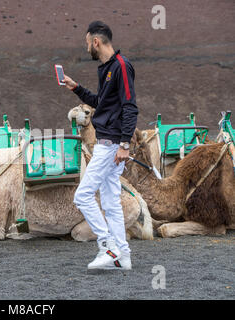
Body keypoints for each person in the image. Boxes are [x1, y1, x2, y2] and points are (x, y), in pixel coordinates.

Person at [62, 21, 138, 270]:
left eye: (87, 43)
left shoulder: (121, 67)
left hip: (111, 145)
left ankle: (108, 247)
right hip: (108, 144)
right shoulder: (107, 69)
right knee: (110, 202)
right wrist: (76, 88)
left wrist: (125, 144)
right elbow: (100, 103)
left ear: (96, 41)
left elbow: (130, 106)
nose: (87, 48)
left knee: (82, 196)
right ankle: (123, 256)